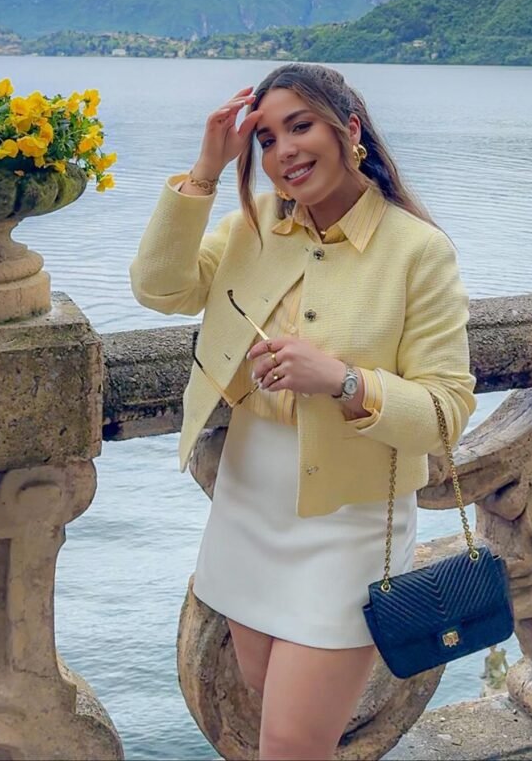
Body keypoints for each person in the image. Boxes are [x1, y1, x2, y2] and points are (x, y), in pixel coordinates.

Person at [130, 62, 476, 761]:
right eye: (264, 138)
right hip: (246, 503)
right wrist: (202, 170)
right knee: (272, 714)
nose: (283, 152)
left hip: (348, 523)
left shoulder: (417, 251)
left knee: (289, 746)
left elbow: (445, 412)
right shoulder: (249, 230)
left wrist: (344, 382)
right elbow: (158, 288)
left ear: (348, 129)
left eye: (300, 126)